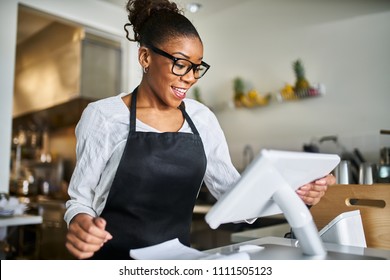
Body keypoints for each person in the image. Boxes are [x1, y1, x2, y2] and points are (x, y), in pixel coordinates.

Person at [64, 0, 336, 260]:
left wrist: (297, 191)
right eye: (180, 64)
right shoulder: (104, 116)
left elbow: (235, 196)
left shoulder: (201, 118)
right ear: (145, 57)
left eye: (197, 67)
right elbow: (80, 199)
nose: (191, 77)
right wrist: (81, 222)